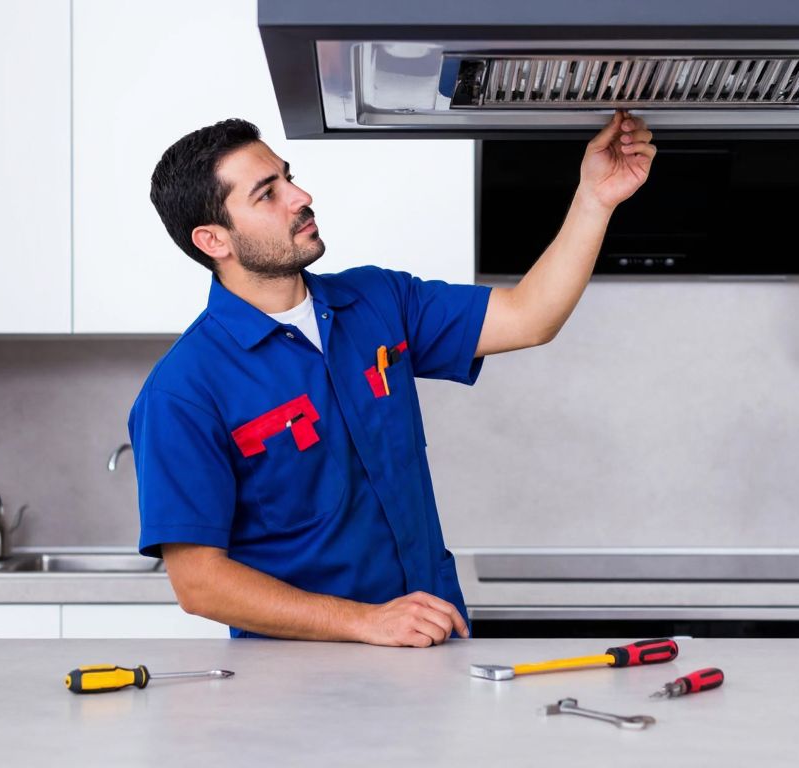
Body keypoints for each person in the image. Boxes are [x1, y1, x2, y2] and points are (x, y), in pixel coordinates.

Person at [131, 110, 655, 646]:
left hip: (433, 647)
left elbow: (530, 316)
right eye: (267, 194)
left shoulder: (378, 301)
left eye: (288, 176)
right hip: (296, 687)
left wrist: (595, 199)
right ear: (213, 240)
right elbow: (199, 584)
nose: (300, 195)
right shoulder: (183, 392)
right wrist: (364, 621)